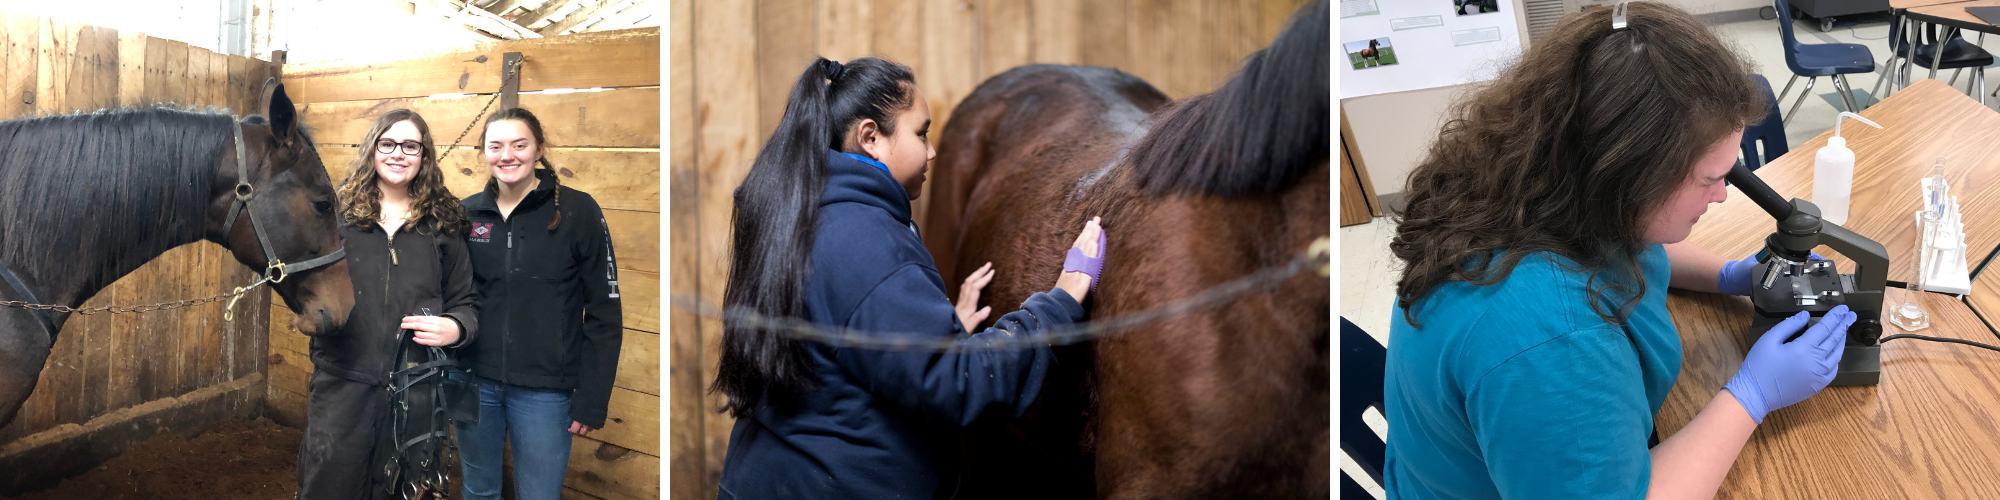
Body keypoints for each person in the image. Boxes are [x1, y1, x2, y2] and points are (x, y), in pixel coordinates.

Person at [1382, 3, 1856, 499]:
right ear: (1630, 175)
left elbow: (1631, 251)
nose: (1721, 195)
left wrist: (1730, 275)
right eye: (1711, 178)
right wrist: (1752, 396)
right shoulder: (1553, 343)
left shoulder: (1541, 183)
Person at [709, 56, 1107, 499]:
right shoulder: (869, 239)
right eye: (921, 133)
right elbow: (959, 385)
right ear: (871, 137)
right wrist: (1059, 303)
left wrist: (931, 326)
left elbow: (835, 338)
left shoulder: (795, 211)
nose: (932, 151)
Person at [299, 109, 478, 500]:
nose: (399, 153)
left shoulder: (443, 222)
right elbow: (306, 284)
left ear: (424, 155)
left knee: (402, 490)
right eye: (388, 143)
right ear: (372, 150)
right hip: (343, 381)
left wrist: (457, 328)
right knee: (328, 486)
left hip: (416, 388)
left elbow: (466, 302)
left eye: (410, 145)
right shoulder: (338, 216)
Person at [455, 107, 624, 500]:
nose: (507, 155)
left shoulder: (578, 212)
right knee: (478, 491)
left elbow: (604, 310)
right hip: (474, 381)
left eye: (519, 144)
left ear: (539, 150)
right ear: (484, 153)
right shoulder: (466, 214)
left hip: (545, 391)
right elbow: (452, 295)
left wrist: (593, 398)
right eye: (495, 146)